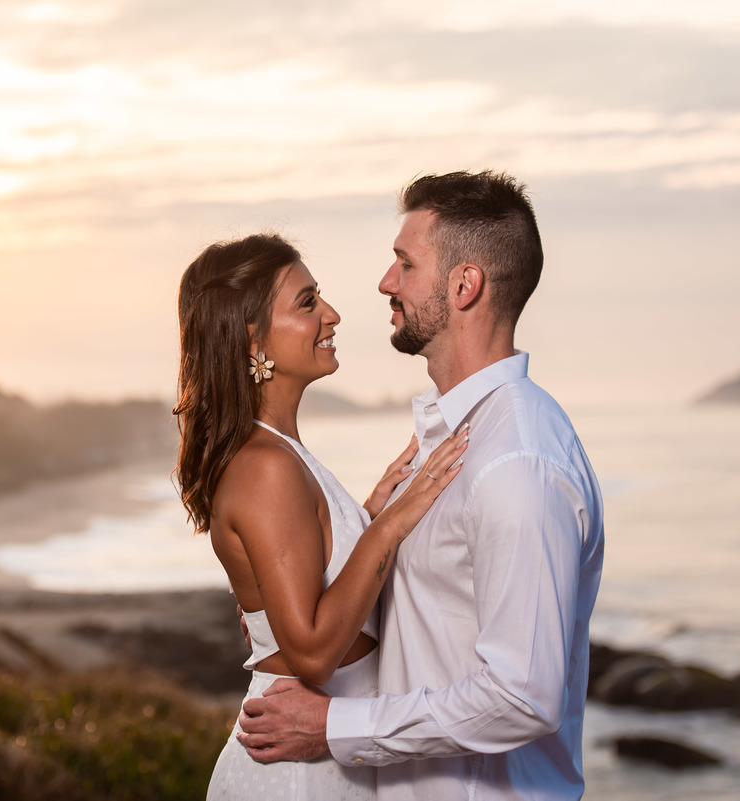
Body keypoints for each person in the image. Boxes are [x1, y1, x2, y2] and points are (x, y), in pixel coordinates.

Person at [236, 171, 606, 801]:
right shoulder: (452, 441)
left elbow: (522, 695)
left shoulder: (516, 462)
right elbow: (423, 614)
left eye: (405, 264)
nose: (386, 282)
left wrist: (335, 726)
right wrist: (282, 591)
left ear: (464, 286)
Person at [173, 233, 470, 800]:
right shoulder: (266, 465)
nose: (331, 314)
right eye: (307, 302)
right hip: (296, 775)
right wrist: (390, 526)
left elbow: (305, 579)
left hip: (325, 759)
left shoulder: (278, 451)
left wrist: (365, 517)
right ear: (251, 338)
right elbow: (312, 654)